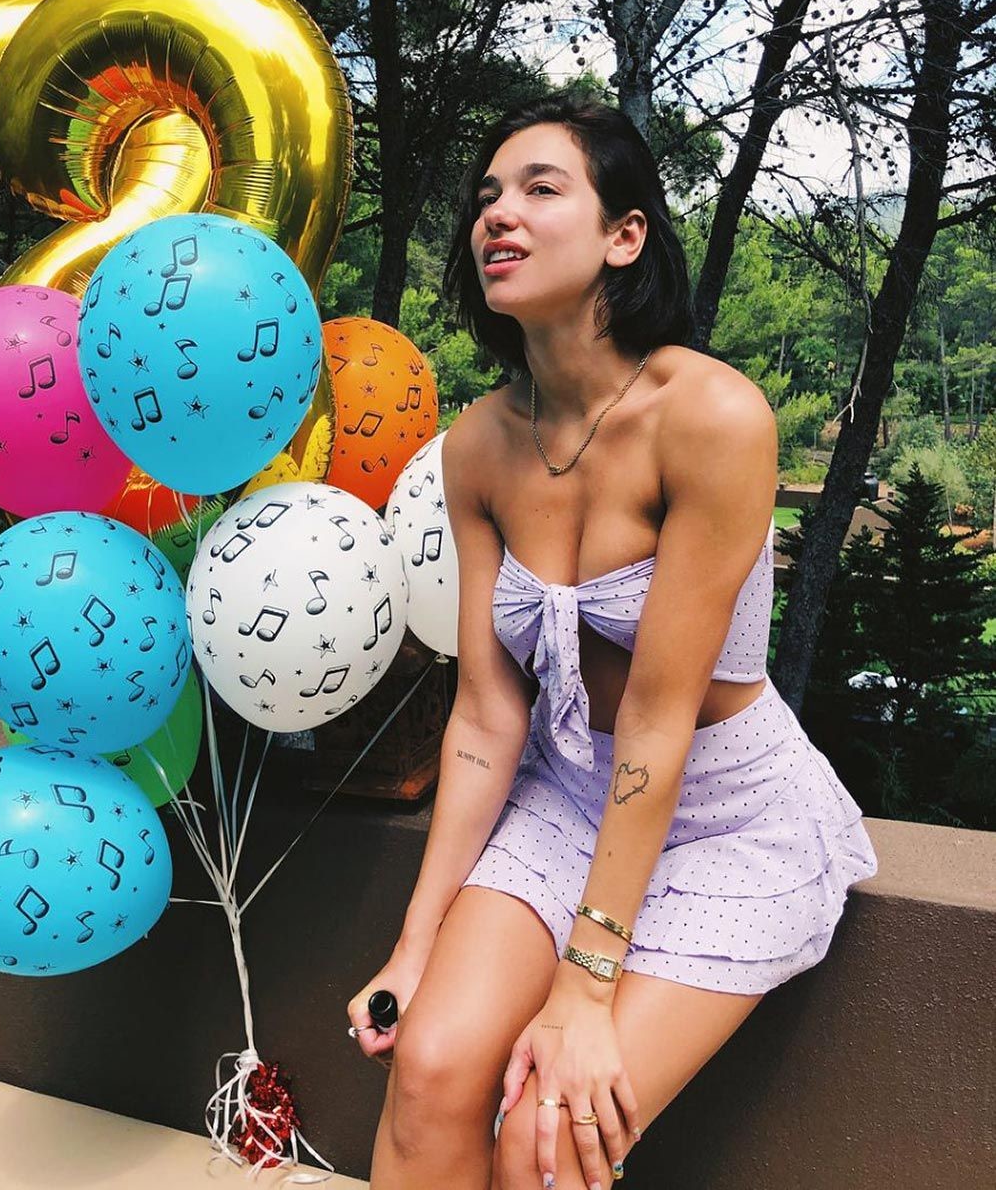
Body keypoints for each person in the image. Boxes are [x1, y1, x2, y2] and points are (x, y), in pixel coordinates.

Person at [346, 88, 879, 1190]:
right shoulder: (479, 446)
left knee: (544, 1137)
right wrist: (416, 941)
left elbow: (657, 715)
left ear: (623, 235)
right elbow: (487, 716)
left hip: (730, 818)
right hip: (572, 794)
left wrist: (585, 986)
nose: (498, 213)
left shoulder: (711, 416)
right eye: (486, 196)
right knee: (430, 1067)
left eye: (540, 189)